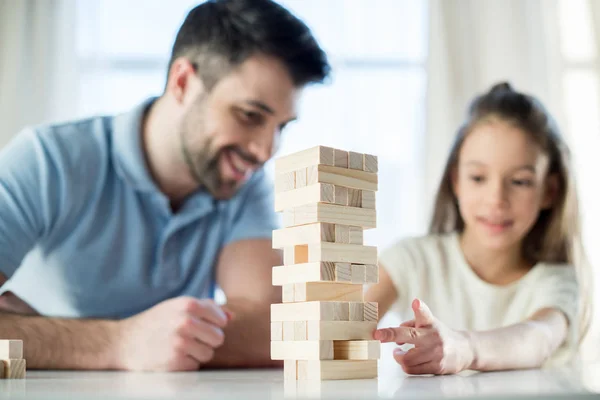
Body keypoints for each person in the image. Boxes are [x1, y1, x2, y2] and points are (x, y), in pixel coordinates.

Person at [0, 0, 330, 371]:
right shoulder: (48, 160)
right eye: (250, 116)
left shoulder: (242, 182)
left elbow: (274, 328)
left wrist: (40, 333)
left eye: (281, 126)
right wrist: (118, 342)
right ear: (183, 82)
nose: (265, 151)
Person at [367, 82, 590, 375]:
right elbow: (344, 332)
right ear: (456, 181)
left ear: (549, 191)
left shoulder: (556, 282)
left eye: (520, 181)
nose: (496, 199)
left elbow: (539, 338)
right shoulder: (410, 259)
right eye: (478, 178)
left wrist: (464, 348)